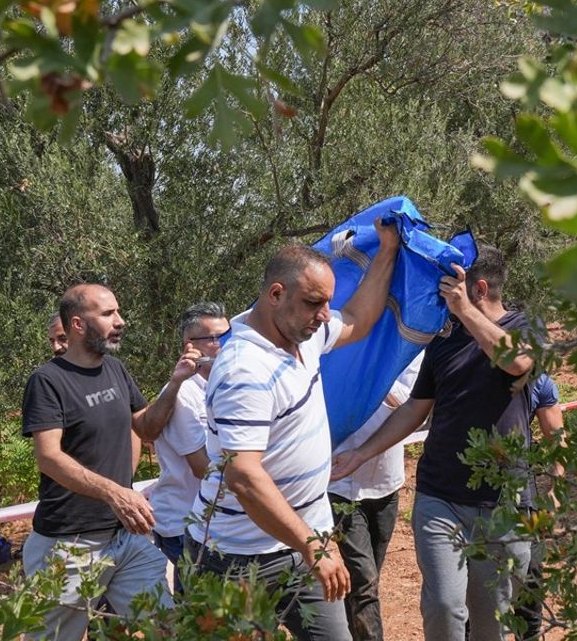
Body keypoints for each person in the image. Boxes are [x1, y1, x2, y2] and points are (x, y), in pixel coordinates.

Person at [187, 226, 400, 641]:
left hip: (304, 543)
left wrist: (388, 250)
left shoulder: (304, 333)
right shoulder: (244, 370)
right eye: (313, 303)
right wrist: (313, 547)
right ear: (275, 295)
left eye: (326, 303)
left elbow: (358, 318)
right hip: (237, 560)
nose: (324, 315)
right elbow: (244, 477)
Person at [332, 244, 536, 641]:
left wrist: (463, 311)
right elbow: (415, 409)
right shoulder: (444, 342)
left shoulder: (524, 327)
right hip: (440, 495)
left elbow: (517, 363)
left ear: (476, 287)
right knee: (443, 606)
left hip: (503, 501)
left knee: (491, 619)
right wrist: (360, 453)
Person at [21, 283, 198, 640]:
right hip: (68, 544)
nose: (120, 321)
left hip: (124, 537)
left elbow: (145, 426)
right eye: (107, 314)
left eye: (117, 312)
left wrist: (176, 383)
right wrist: (114, 493)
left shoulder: (115, 369)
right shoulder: (47, 380)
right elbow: (49, 456)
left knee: (168, 627)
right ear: (78, 325)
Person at [327, 352, 422, 641]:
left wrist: (370, 369)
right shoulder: (333, 345)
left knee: (367, 579)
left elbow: (410, 402)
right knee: (364, 579)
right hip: (339, 485)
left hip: (386, 482)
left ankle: (348, 632)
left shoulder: (406, 348)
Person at [150, 302, 228, 590]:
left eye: (227, 335)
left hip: (212, 522)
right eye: (214, 338)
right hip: (183, 524)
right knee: (200, 609)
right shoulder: (182, 394)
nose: (224, 344)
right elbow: (202, 468)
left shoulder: (222, 385)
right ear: (190, 346)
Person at [514, 374, 564, 640]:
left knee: (530, 573)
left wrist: (554, 495)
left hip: (521, 488)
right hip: (469, 491)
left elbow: (557, 443)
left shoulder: (540, 381)